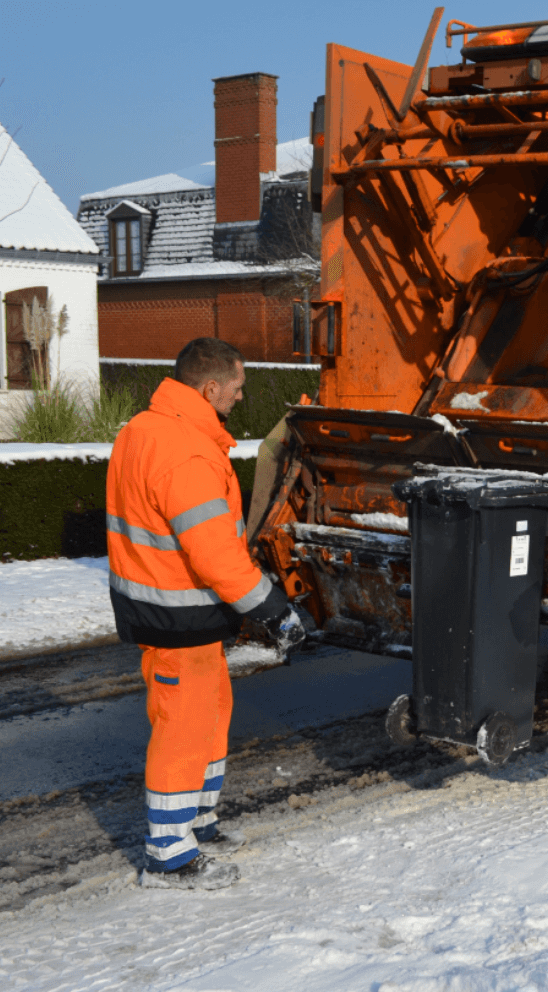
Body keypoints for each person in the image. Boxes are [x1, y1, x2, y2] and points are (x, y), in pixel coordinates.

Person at [106, 337, 305, 890]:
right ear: (209, 387)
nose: (241, 398)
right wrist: (273, 608)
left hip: (172, 607)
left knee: (213, 711)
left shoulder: (146, 429)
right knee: (183, 726)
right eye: (238, 388)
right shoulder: (185, 451)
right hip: (177, 615)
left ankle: (197, 822)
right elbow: (214, 553)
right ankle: (168, 854)